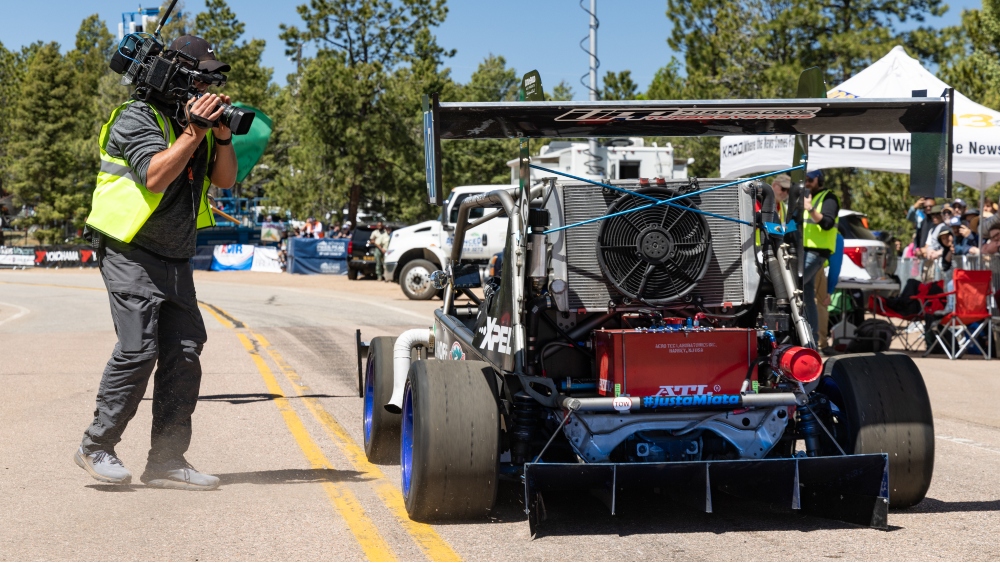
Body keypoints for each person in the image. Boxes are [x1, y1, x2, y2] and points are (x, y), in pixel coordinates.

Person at [76, 35, 237, 490]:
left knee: (184, 354)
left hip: (175, 254)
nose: (207, 84)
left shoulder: (194, 127)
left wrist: (220, 136)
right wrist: (195, 132)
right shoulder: (136, 117)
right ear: (175, 76)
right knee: (138, 349)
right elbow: (153, 176)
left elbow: (224, 180)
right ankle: (96, 446)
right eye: (201, 75)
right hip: (130, 249)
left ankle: (166, 461)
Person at [801, 170, 839, 345]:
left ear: (819, 179)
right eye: (805, 179)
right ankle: (812, 341)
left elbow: (827, 224)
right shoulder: (806, 196)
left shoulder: (829, 197)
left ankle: (810, 338)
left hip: (817, 252)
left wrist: (809, 208)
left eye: (810, 179)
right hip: (805, 251)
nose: (807, 182)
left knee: (794, 286)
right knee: (807, 296)